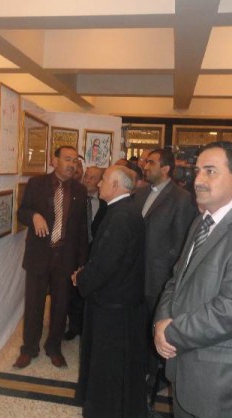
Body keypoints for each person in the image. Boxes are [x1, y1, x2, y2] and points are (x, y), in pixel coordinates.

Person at [154, 141, 232, 418]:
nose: (198, 180)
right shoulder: (202, 222)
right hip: (188, 366)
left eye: (210, 171)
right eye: (197, 171)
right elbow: (177, 279)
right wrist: (161, 320)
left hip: (224, 383)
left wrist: (171, 332)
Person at [73, 166, 147, 418]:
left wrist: (81, 278)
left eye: (103, 179)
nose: (99, 184)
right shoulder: (122, 211)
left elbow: (106, 264)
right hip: (118, 300)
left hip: (112, 306)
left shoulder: (121, 217)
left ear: (115, 185)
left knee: (108, 368)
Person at [14, 145, 88, 369]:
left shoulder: (80, 190)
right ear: (54, 161)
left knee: (60, 305)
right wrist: (34, 216)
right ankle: (29, 348)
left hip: (66, 257)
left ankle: (54, 347)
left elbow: (82, 229)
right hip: (39, 255)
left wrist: (82, 263)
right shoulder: (36, 184)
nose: (72, 164)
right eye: (67, 159)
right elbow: (22, 212)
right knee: (34, 304)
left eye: (75, 161)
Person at [133, 148, 197, 391]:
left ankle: (154, 374)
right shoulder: (140, 193)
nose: (145, 166)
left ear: (166, 168)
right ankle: (138, 367)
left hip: (159, 278)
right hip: (135, 274)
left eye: (151, 162)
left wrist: (171, 280)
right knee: (138, 323)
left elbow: (181, 244)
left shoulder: (181, 198)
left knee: (155, 324)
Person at [64, 166, 106, 340]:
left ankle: (88, 326)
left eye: (92, 177)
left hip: (96, 253)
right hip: (75, 251)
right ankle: (74, 326)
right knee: (72, 291)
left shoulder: (105, 202)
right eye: (86, 176)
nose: (87, 180)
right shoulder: (74, 197)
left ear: (100, 181)